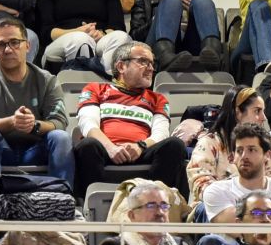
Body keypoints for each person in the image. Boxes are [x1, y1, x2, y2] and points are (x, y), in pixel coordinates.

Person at [72, 42, 187, 199]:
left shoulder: (158, 99)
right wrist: (111, 148)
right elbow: (88, 124)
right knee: (88, 145)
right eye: (143, 61)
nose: (151, 68)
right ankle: (93, 204)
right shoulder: (95, 89)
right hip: (105, 151)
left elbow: (161, 133)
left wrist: (140, 146)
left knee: (174, 144)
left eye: (152, 63)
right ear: (121, 66)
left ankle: (155, 201)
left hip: (141, 152)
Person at [0, 19, 72, 183]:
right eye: (1, 45)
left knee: (61, 137)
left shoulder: (47, 79)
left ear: (27, 45)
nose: (8, 49)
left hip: (36, 149)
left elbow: (59, 121)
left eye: (14, 42)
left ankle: (61, 197)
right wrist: (13, 122)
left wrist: (33, 125)